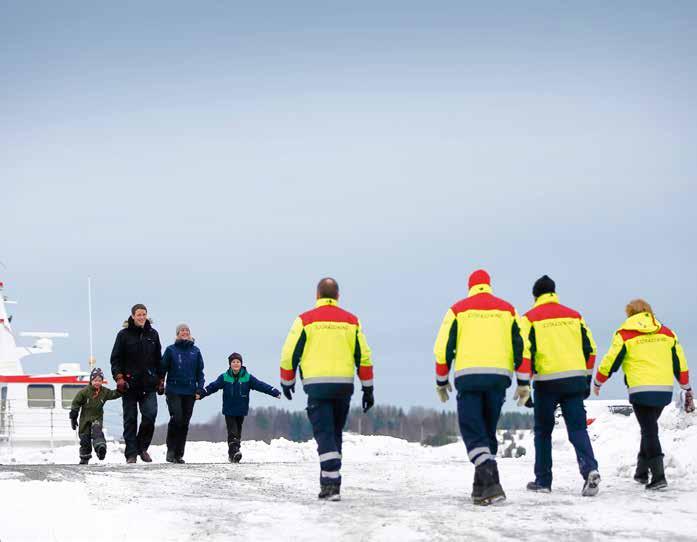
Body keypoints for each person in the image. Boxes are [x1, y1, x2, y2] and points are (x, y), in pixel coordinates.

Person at [433, 269, 527, 505]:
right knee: (486, 431)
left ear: (470, 286)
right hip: (498, 379)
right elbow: (522, 347)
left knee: (473, 430)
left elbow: (443, 347)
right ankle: (480, 488)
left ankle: (491, 481)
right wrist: (524, 382)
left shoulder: (457, 310)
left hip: (469, 378)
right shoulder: (508, 310)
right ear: (489, 285)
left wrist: (441, 379)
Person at [280, 277, 374, 501]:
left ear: (317, 296)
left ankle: (331, 484)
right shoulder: (351, 321)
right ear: (338, 296)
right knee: (334, 434)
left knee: (324, 434)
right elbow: (364, 357)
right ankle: (328, 481)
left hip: (317, 387)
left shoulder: (305, 320)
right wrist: (368, 388)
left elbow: (289, 353)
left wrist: (287, 380)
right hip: (343, 386)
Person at [594, 299, 693, 490]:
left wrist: (598, 381)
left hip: (640, 390)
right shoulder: (667, 333)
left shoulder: (625, 334)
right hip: (664, 390)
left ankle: (659, 477)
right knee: (649, 428)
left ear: (629, 314)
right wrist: (686, 386)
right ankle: (641, 472)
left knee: (649, 430)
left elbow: (611, 361)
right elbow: (679, 361)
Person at [519, 275, 601, 496]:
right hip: (574, 382)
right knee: (577, 429)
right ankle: (590, 469)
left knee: (543, 432)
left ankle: (543, 482)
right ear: (554, 293)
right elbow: (591, 350)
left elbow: (525, 354)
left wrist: (524, 386)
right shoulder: (575, 316)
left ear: (535, 296)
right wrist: (585, 379)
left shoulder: (529, 318)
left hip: (547, 383)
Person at [198, 352, 280, 463]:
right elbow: (213, 387)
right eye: (233, 362)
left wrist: (273, 391)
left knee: (237, 433)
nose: (236, 364)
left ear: (241, 364)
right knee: (233, 432)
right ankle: (235, 451)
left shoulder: (247, 377)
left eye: (238, 362)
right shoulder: (224, 377)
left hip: (241, 410)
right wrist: (202, 394)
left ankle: (232, 455)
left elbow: (261, 385)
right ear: (230, 364)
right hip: (229, 410)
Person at [110, 303, 163, 464]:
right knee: (130, 420)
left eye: (144, 314)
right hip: (129, 385)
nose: (141, 317)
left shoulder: (153, 334)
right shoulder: (123, 335)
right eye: (138, 314)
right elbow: (115, 359)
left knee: (150, 416)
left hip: (149, 384)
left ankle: (142, 448)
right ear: (133, 316)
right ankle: (131, 454)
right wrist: (119, 378)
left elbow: (158, 359)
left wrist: (161, 379)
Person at [161, 323, 205, 464]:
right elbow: (163, 369)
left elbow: (200, 373)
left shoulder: (196, 351)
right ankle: (171, 450)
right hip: (173, 390)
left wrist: (200, 389)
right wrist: (159, 383)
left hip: (190, 391)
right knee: (177, 418)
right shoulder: (170, 350)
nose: (185, 332)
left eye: (187, 330)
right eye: (182, 330)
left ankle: (179, 454)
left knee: (185, 422)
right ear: (177, 334)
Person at [69, 368, 122, 465]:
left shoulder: (104, 392)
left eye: (99, 381)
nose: (97, 383)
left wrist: (122, 389)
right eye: (95, 380)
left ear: (102, 381)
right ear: (91, 380)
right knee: (85, 440)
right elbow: (76, 403)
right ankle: (85, 458)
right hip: (85, 420)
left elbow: (114, 394)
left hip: (96, 419)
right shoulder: (84, 392)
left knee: (97, 432)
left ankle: (100, 449)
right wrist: (73, 416)